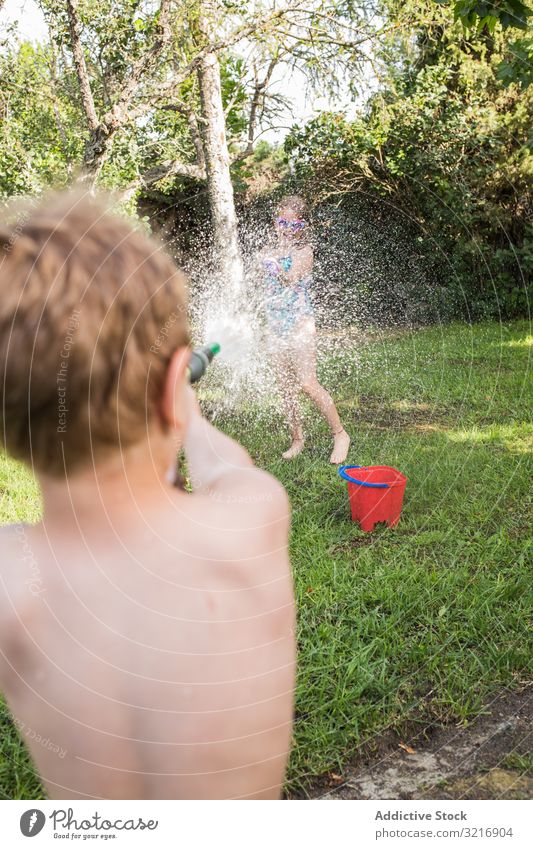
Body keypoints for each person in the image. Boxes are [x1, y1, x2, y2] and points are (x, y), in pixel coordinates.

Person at [0, 191, 295, 800]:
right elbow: (225, 467)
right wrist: (180, 398)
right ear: (170, 392)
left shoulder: (12, 584)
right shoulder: (251, 520)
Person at [259, 195, 350, 464]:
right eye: (281, 222)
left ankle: (341, 434)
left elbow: (290, 278)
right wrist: (261, 263)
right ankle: (297, 439)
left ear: (302, 226)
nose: (286, 228)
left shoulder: (304, 251)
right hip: (275, 324)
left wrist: (275, 266)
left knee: (307, 383)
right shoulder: (267, 249)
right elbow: (260, 281)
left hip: (299, 322)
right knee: (286, 387)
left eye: (292, 223)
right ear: (276, 223)